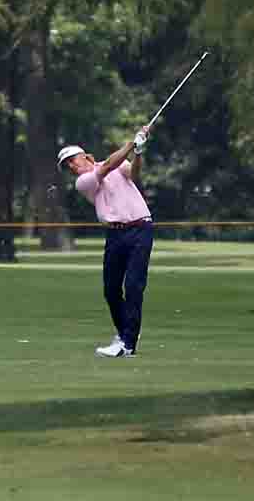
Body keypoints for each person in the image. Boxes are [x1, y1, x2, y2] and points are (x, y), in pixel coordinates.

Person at [57, 125, 154, 358]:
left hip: (140, 228)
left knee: (133, 286)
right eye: (67, 165)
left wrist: (138, 152)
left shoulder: (118, 162)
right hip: (115, 234)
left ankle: (127, 344)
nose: (71, 166)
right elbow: (109, 165)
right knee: (111, 290)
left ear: (85, 156)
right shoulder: (84, 182)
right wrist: (132, 143)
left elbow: (135, 175)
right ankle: (124, 334)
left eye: (72, 159)